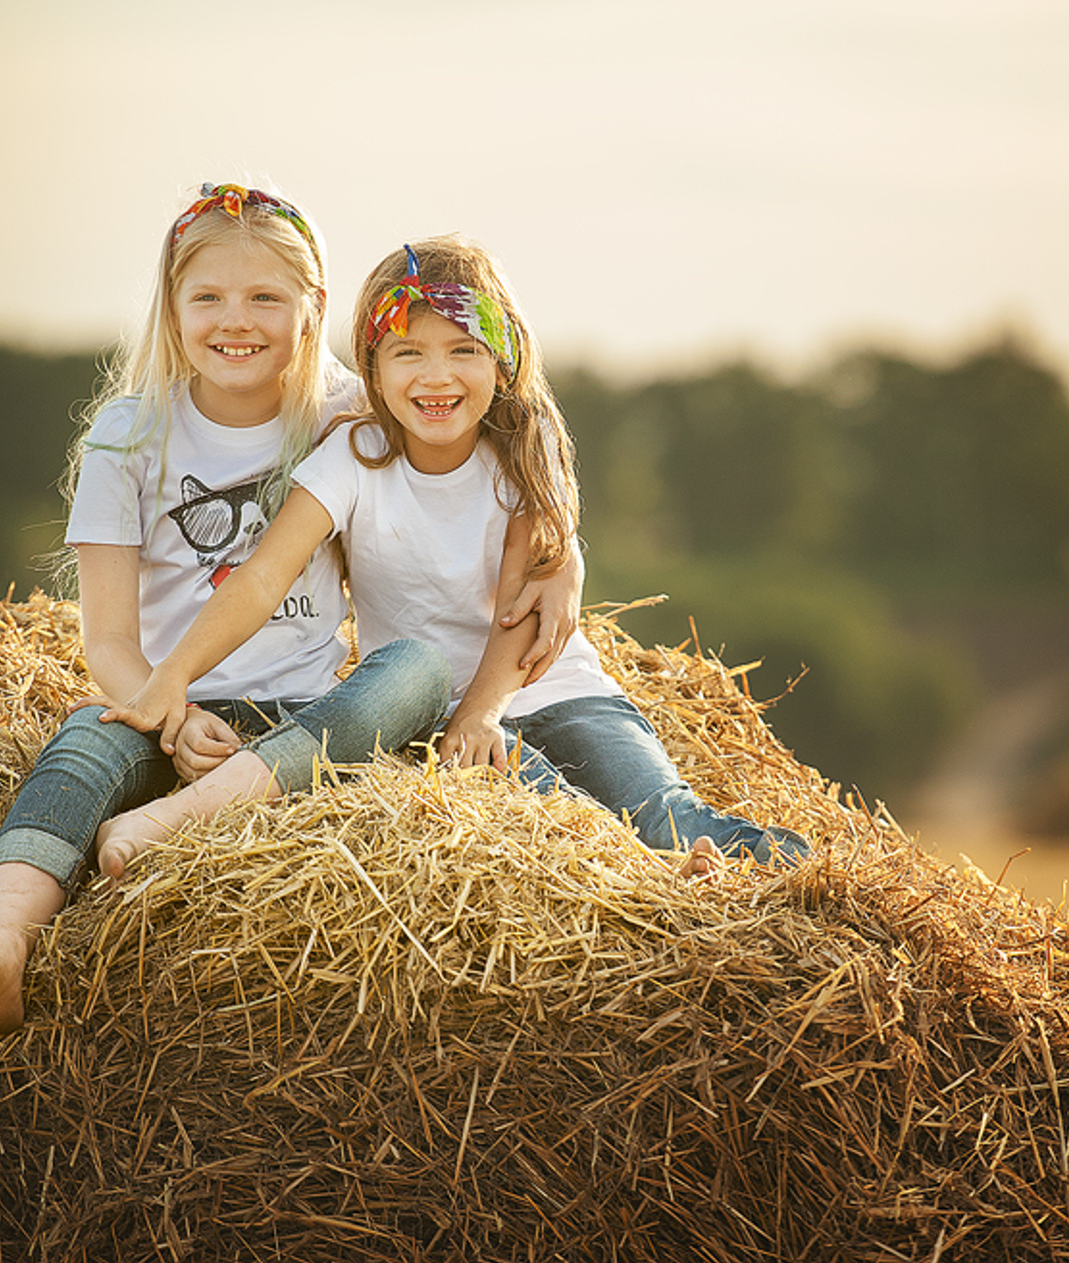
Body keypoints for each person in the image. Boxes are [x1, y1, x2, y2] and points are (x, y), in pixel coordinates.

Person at [0, 197, 580, 1035]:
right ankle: (14, 923)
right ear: (171, 308)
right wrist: (172, 716)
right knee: (84, 740)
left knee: (413, 671)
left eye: (266, 298)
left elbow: (518, 454)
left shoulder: (350, 412)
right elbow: (109, 642)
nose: (237, 321)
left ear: (314, 307)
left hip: (308, 718)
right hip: (165, 700)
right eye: (208, 298)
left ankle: (190, 814)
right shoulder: (127, 437)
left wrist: (565, 570)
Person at [95, 237, 811, 891]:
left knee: (668, 819)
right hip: (434, 717)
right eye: (408, 353)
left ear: (503, 360)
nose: (436, 376)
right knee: (580, 840)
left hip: (550, 690)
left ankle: (806, 874)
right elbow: (259, 577)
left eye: (463, 350)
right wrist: (174, 677)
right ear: (371, 369)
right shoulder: (352, 456)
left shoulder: (527, 455)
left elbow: (518, 608)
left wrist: (483, 710)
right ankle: (664, 888)